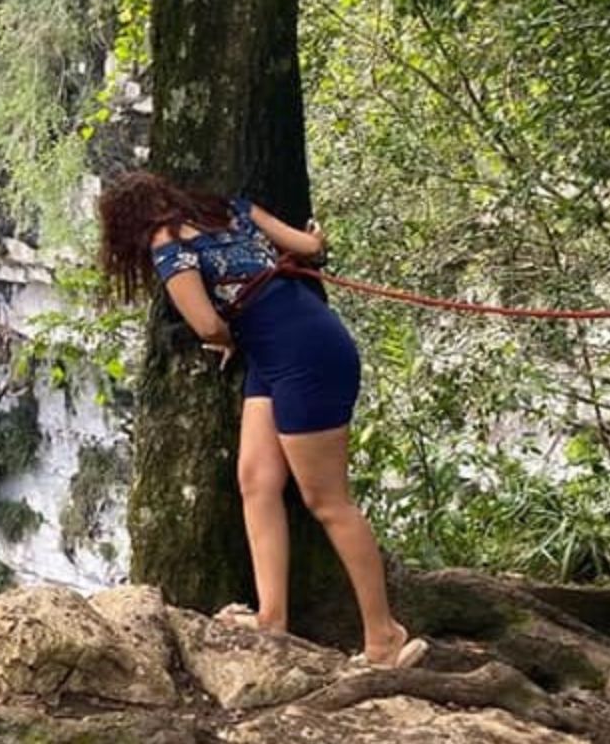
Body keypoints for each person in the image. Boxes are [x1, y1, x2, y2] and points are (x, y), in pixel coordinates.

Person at [96, 170, 428, 670]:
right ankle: (272, 617)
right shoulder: (229, 211)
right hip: (290, 346)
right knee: (256, 481)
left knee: (328, 500)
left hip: (300, 357)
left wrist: (227, 339)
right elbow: (310, 246)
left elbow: (206, 323)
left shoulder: (169, 246)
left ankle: (384, 634)